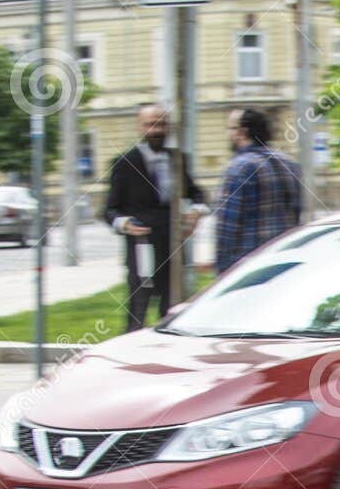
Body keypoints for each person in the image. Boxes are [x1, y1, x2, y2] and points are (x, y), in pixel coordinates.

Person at [103, 104, 207, 331]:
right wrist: (125, 224)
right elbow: (110, 209)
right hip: (142, 247)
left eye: (161, 124)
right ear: (139, 127)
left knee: (172, 308)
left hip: (173, 247)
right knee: (138, 307)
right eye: (150, 124)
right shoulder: (124, 163)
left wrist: (197, 210)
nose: (156, 130)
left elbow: (196, 192)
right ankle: (131, 353)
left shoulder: (177, 159)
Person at [215, 107, 303, 273]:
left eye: (230, 128)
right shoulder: (290, 164)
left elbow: (227, 226)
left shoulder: (239, 167)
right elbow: (296, 214)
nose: (228, 134)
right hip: (283, 262)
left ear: (242, 132)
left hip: (248, 266)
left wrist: (222, 269)